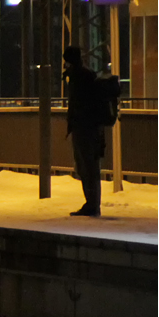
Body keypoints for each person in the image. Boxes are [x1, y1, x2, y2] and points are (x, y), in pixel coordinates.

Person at [63, 46, 105, 217]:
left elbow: (78, 103)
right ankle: (92, 203)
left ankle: (92, 205)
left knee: (87, 166)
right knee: (88, 166)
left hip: (84, 127)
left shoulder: (80, 76)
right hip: (89, 127)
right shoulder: (86, 74)